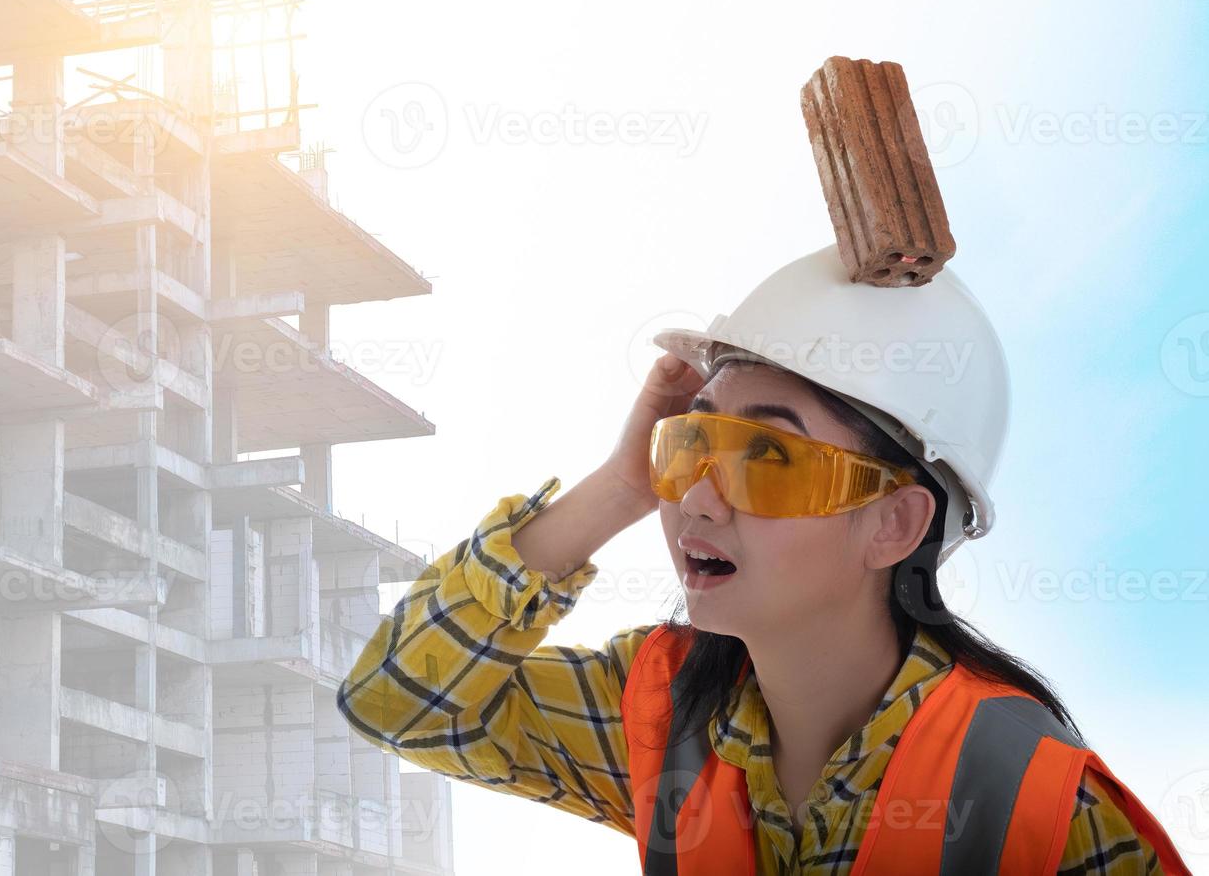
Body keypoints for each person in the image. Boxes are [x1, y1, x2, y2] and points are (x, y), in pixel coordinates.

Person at [336, 245, 1189, 875]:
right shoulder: (663, 718)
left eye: (767, 459)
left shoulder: (1038, 808)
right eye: (691, 445)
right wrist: (619, 489)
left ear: (894, 524)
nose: (699, 501)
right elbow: (400, 703)